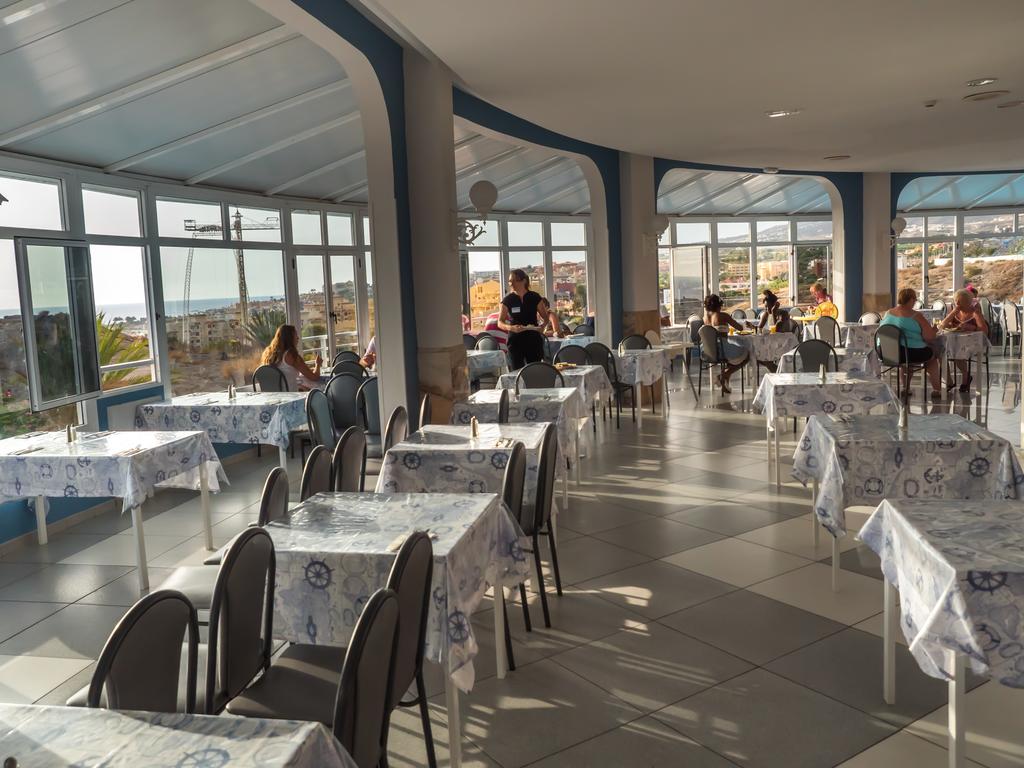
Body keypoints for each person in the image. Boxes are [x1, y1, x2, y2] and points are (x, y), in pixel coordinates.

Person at [880, 287, 942, 399]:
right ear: (911, 300)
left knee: (905, 356)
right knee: (932, 357)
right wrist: (934, 329)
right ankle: (937, 390)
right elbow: (929, 337)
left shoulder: (888, 313)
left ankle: (906, 388)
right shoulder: (916, 316)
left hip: (885, 352)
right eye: (915, 299)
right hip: (909, 353)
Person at [940, 288, 989, 392]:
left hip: (973, 342)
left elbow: (984, 331)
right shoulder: (956, 312)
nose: (957, 303)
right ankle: (949, 381)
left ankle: (966, 377)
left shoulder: (975, 312)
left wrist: (972, 328)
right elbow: (942, 325)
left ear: (968, 302)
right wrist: (953, 312)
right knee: (941, 352)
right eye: (956, 301)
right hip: (956, 341)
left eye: (960, 301)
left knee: (957, 351)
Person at [498, 269, 548, 368]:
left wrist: (542, 327)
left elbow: (546, 318)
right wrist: (511, 328)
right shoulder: (508, 300)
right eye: (510, 281)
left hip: (533, 339)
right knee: (516, 372)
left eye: (514, 281)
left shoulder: (535, 297)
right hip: (515, 340)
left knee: (535, 370)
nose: (511, 284)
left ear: (524, 281)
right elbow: (500, 322)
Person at [702, 294, 749, 394]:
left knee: (730, 358)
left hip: (708, 350)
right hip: (721, 349)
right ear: (719, 305)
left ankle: (725, 384)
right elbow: (740, 328)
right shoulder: (723, 316)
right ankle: (724, 375)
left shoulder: (705, 317)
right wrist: (746, 324)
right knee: (747, 354)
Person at [260, 324, 322, 391]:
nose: (298, 338)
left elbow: (284, 374)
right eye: (295, 335)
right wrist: (318, 364)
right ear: (290, 338)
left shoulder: (269, 353)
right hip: (289, 394)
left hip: (273, 394)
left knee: (304, 387)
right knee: (319, 388)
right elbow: (314, 377)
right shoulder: (291, 354)